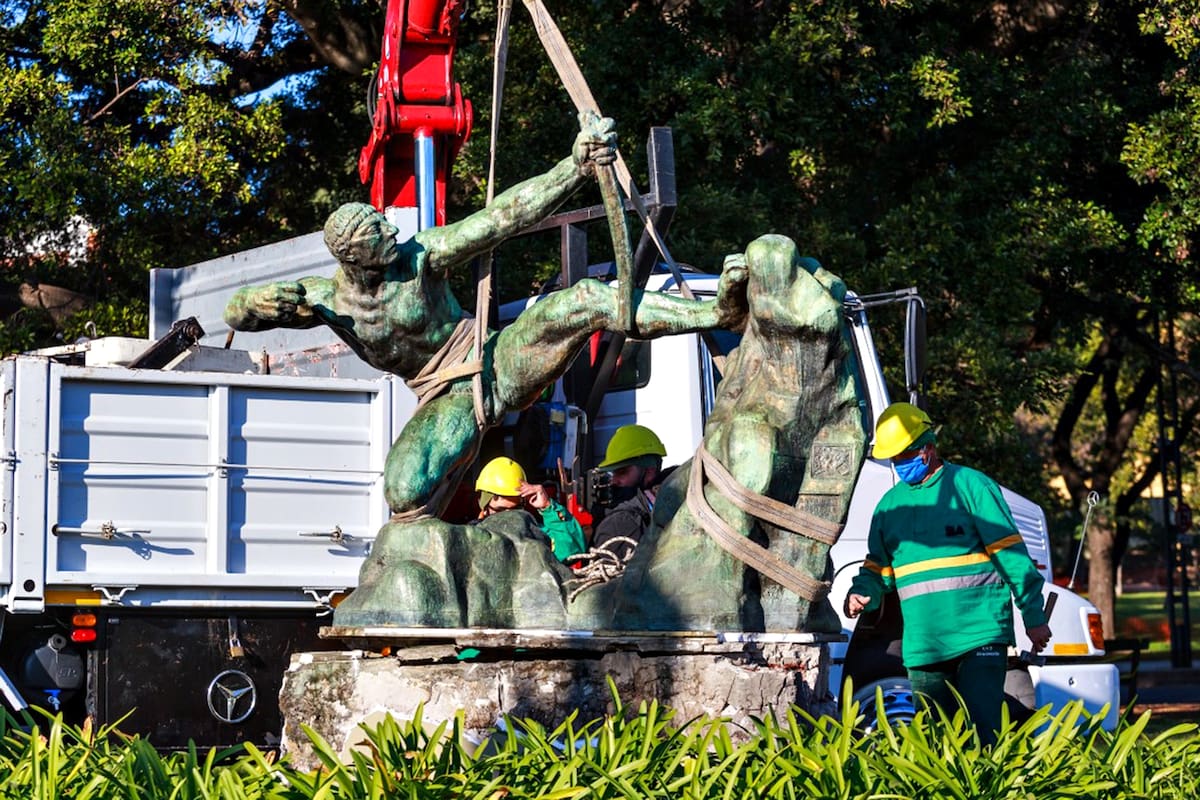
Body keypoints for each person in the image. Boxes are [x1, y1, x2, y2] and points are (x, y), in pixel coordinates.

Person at [223, 111, 747, 518]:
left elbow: (502, 218)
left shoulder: (420, 256)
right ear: (355, 259)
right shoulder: (328, 303)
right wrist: (254, 305)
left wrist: (577, 167)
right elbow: (236, 312)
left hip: (490, 361)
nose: (393, 234)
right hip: (440, 393)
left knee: (586, 299)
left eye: (386, 226)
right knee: (403, 490)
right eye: (380, 236)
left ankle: (716, 313)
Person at [844, 402, 1052, 744]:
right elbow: (876, 568)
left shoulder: (972, 487)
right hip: (924, 646)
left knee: (985, 733)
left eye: (904, 455)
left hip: (979, 636)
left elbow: (1012, 557)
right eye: (893, 458)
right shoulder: (889, 507)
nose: (899, 464)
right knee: (937, 741)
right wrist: (862, 592)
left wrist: (1033, 615)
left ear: (927, 449)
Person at [475, 456, 586, 563]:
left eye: (516, 510)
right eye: (501, 510)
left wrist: (547, 507)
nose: (508, 518)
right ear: (484, 506)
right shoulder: (471, 540)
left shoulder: (534, 537)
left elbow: (572, 551)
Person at [590, 425, 671, 561]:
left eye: (622, 472)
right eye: (613, 473)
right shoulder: (672, 502)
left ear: (649, 472)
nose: (614, 481)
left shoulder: (620, 524)